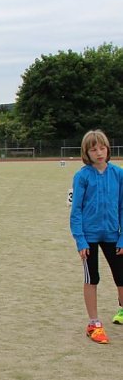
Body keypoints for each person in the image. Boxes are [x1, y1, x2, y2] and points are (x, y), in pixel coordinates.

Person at [70, 129, 123, 344]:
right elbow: (76, 211)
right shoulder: (82, 176)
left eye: (102, 148)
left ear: (108, 149)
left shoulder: (118, 174)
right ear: (86, 153)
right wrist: (80, 240)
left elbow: (122, 207)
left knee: (121, 277)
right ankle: (94, 323)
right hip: (89, 237)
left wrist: (122, 237)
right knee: (92, 278)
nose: (99, 153)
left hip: (113, 235)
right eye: (93, 150)